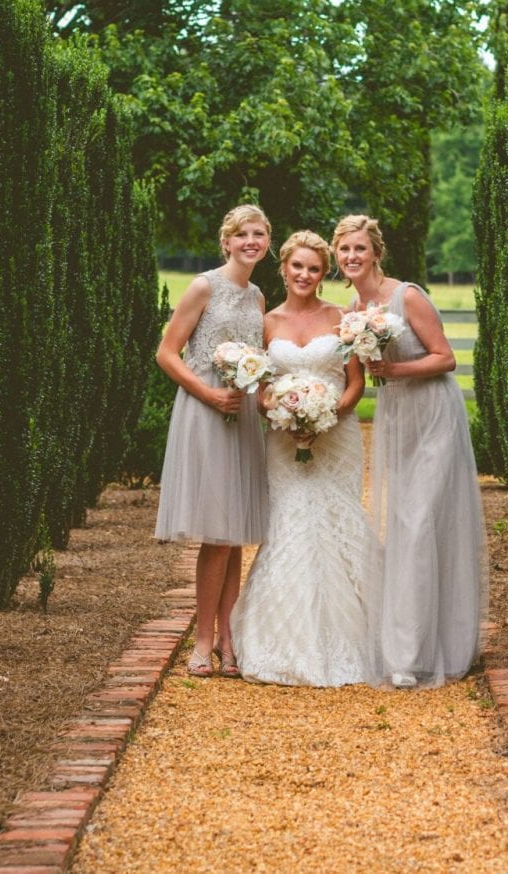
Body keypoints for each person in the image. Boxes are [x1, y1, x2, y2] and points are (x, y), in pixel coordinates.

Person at [333, 214, 485, 689]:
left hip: (433, 414)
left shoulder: (408, 296)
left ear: (376, 252)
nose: (352, 257)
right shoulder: (352, 307)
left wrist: (394, 372)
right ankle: (407, 643)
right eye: (344, 251)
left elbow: (447, 358)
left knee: (421, 523)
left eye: (359, 249)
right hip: (397, 417)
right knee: (401, 524)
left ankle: (416, 653)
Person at [229, 230, 382, 686]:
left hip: (337, 437)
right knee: (291, 523)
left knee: (337, 520)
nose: (305, 275)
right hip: (281, 437)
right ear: (284, 268)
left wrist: (328, 414)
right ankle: (283, 639)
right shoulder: (266, 322)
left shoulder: (342, 317)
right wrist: (280, 414)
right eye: (297, 266)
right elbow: (253, 380)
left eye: (314, 268)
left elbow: (356, 382)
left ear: (324, 273)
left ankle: (361, 636)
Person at [155, 205, 272, 677]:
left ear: (268, 242)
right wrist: (206, 393)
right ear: (225, 242)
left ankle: (228, 635)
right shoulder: (204, 286)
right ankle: (202, 641)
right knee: (217, 532)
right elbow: (166, 352)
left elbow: (259, 365)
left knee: (236, 530)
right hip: (205, 409)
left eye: (259, 234)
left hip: (242, 414)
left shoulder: (259, 296)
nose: (250, 241)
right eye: (241, 234)